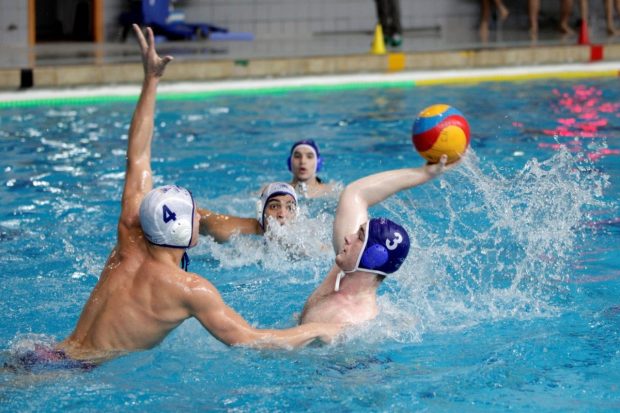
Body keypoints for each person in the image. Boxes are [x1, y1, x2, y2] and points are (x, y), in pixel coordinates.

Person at [38, 25, 341, 369]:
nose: (201, 217)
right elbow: (251, 340)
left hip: (44, 355)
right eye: (194, 215)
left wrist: (151, 79)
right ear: (182, 232)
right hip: (75, 375)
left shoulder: (129, 235)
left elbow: (137, 157)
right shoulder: (190, 290)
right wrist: (319, 329)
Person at [300, 155, 453, 325]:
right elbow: (355, 194)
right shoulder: (348, 266)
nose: (347, 237)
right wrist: (424, 173)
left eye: (359, 236)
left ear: (372, 256)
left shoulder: (345, 318)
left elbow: (283, 340)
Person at [198, 182, 298, 243]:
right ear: (260, 212)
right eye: (274, 206)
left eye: (289, 207)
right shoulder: (228, 231)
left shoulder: (305, 243)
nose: (282, 214)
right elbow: (192, 213)